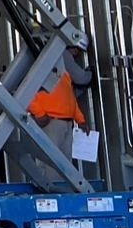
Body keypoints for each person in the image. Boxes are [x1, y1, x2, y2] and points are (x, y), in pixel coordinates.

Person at [17, 45, 92, 186]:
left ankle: (62, 194)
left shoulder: (62, 74)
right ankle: (50, 194)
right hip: (51, 122)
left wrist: (80, 120)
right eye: (75, 50)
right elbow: (26, 95)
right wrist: (40, 114)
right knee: (49, 166)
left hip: (66, 124)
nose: (75, 54)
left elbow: (70, 99)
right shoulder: (38, 71)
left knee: (65, 166)